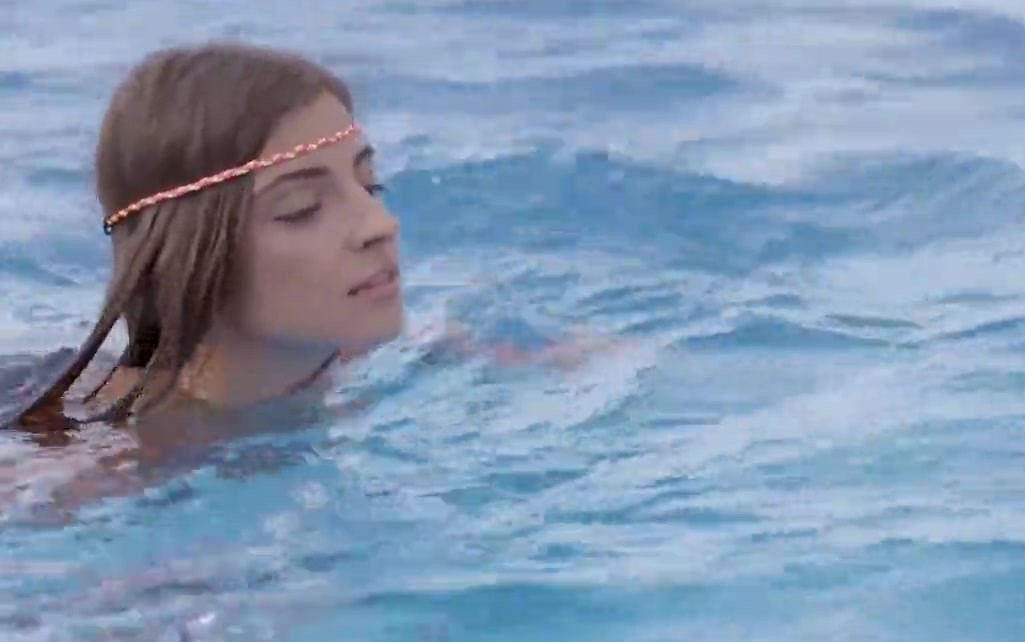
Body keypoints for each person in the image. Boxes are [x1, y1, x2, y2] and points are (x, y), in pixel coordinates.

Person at [1, 41, 618, 456]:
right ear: (194, 255)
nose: (379, 225)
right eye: (302, 209)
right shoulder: (92, 465)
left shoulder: (356, 356)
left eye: (369, 185)